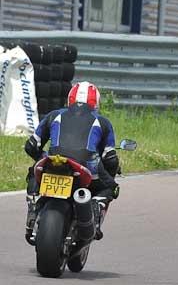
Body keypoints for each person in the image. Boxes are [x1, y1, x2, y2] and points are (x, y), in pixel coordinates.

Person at [24, 82, 120, 244]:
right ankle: (95, 210)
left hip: (53, 162)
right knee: (110, 187)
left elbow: (31, 146)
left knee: (34, 170)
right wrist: (111, 173)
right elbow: (110, 158)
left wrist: (42, 157)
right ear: (96, 103)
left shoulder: (54, 115)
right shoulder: (102, 122)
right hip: (84, 166)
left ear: (70, 100)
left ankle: (33, 207)